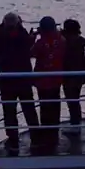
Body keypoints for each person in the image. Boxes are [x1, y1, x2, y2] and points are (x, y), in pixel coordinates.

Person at [0, 12, 41, 152]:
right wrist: (33, 35)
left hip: (6, 81)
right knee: (29, 110)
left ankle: (13, 142)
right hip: (23, 80)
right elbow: (29, 47)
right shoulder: (23, 37)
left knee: (9, 113)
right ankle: (36, 139)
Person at [31, 16, 66, 148]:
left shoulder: (41, 43)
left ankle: (46, 133)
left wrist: (33, 37)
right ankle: (54, 131)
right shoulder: (61, 40)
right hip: (57, 78)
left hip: (43, 79)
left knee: (45, 107)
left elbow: (31, 52)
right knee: (55, 105)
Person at [61, 18, 85, 134]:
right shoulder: (80, 41)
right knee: (75, 100)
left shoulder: (66, 42)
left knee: (72, 101)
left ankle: (75, 125)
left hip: (69, 76)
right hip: (79, 74)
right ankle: (76, 124)